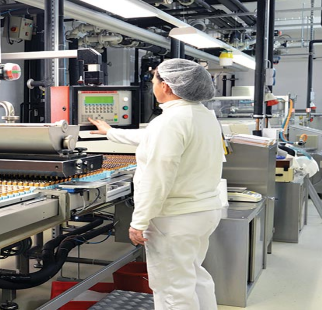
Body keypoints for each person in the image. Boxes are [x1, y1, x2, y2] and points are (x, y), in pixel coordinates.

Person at [89, 58, 224, 310]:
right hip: (202, 211)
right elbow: (151, 137)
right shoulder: (202, 116)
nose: (153, 86)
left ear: (168, 87)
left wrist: (139, 221)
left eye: (154, 81)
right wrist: (110, 132)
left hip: (175, 218)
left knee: (172, 289)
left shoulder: (170, 122)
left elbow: (158, 177)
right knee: (193, 277)